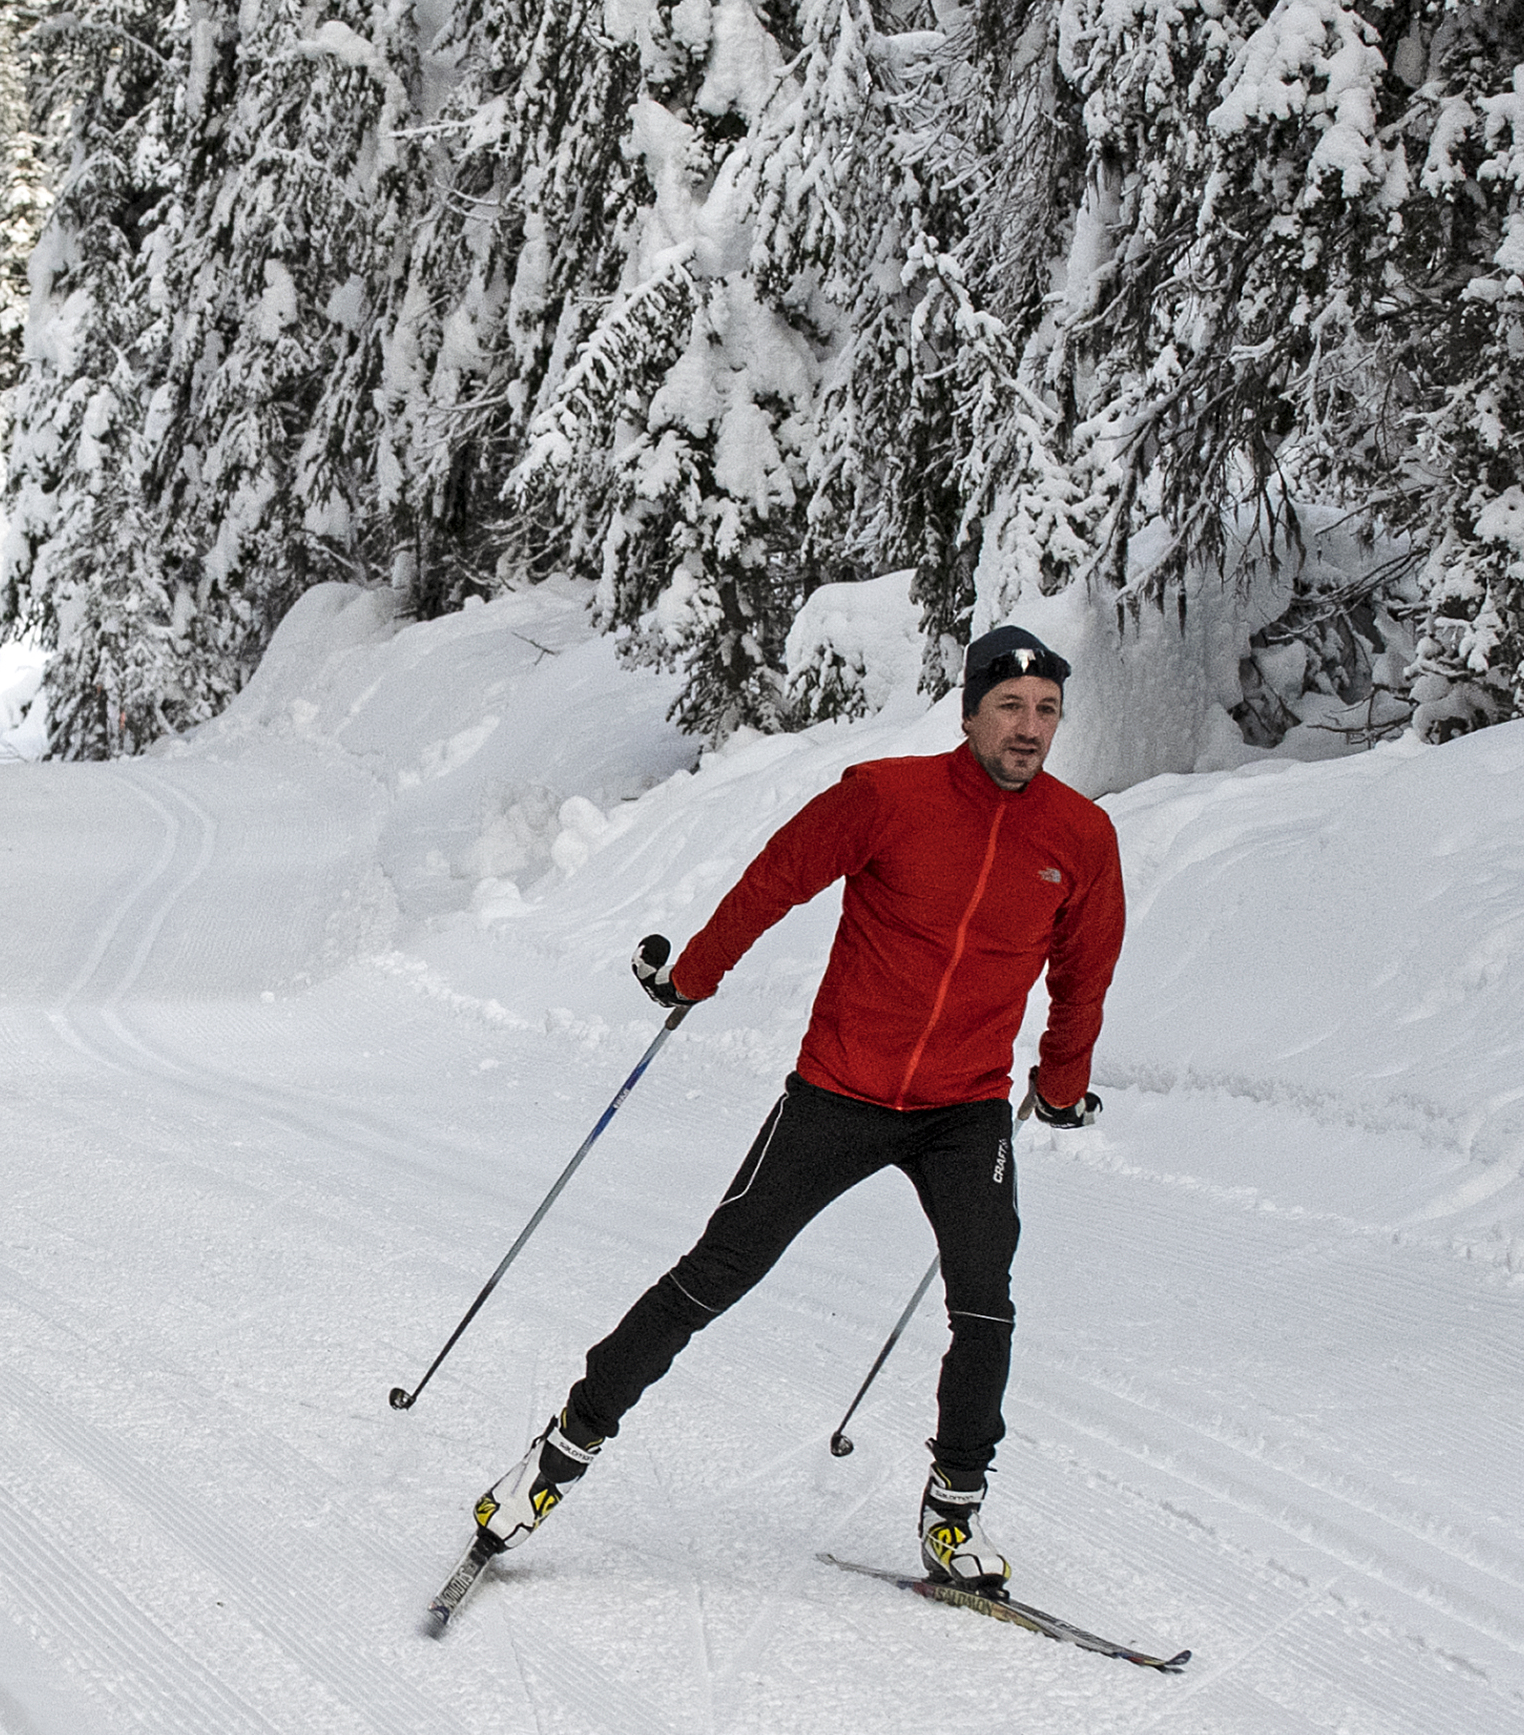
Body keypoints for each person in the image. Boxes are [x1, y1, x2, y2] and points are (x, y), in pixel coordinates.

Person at [476, 625, 1123, 1590]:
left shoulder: (1079, 836)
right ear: (970, 711)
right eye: (1011, 707)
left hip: (966, 1110)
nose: (1029, 729)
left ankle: (954, 1512)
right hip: (839, 1091)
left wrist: (1060, 1086)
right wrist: (696, 973)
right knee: (713, 1275)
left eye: (1046, 712)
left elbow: (1084, 973)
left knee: (985, 1306)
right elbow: (777, 879)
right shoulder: (885, 797)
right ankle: (563, 1448)